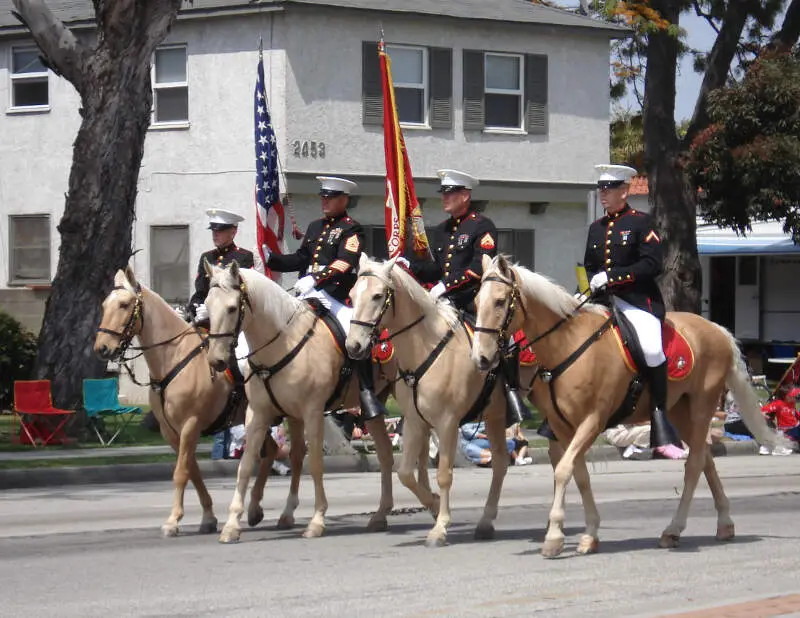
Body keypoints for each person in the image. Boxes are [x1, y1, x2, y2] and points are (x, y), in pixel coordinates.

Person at [401, 169, 531, 427]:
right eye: (444, 193)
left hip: (473, 300)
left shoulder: (482, 226)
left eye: (450, 193)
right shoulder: (441, 230)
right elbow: (436, 267)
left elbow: (477, 268)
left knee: (500, 342)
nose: (445, 198)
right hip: (444, 300)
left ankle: (511, 395)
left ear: (465, 195)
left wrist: (445, 286)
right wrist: (411, 265)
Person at [578, 164, 684, 459]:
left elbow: (653, 265)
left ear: (625, 192)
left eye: (609, 189)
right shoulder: (595, 228)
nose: (603, 194)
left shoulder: (641, 223)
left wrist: (614, 277)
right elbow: (589, 266)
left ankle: (660, 418)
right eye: (601, 189)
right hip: (603, 300)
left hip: (637, 301)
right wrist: (585, 286)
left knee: (651, 350)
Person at [261, 176, 387, 421]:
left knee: (355, 334)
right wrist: (272, 258)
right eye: (323, 197)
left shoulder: (352, 228)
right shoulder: (315, 227)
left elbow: (344, 262)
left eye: (330, 197)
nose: (324, 201)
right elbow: (300, 258)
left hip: (336, 295)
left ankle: (366, 392)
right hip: (309, 293)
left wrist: (317, 278)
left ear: (344, 200)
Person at [186, 208, 255, 326]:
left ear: (233, 232)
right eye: (213, 230)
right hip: (205, 318)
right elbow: (201, 292)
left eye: (220, 231)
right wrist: (190, 309)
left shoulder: (244, 257)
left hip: (230, 322)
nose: (215, 234)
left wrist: (212, 310)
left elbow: (243, 295)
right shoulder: (206, 257)